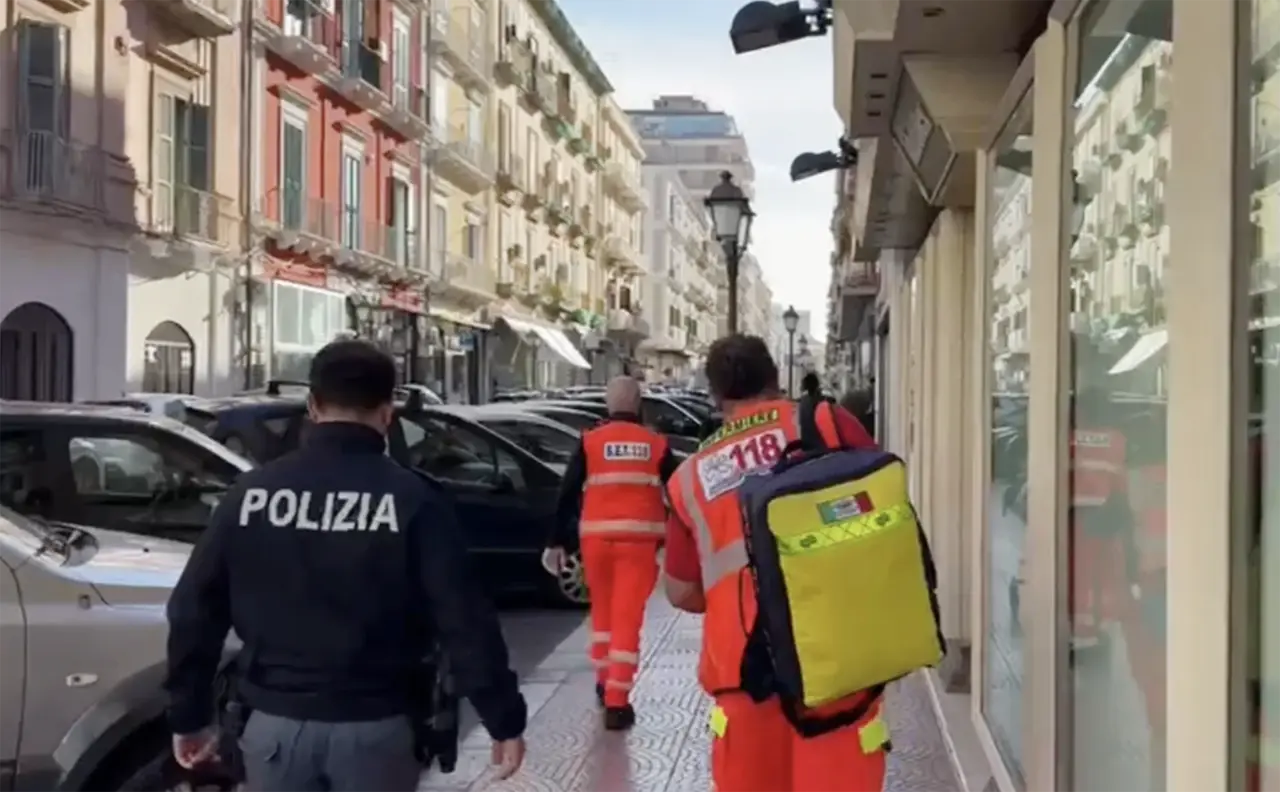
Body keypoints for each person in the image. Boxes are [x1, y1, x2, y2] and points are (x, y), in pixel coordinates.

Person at [165, 339, 528, 791]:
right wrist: (503, 718)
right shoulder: (414, 499)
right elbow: (464, 621)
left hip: (272, 729)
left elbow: (193, 611)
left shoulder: (251, 494)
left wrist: (189, 716)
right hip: (378, 731)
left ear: (312, 407)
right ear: (387, 411)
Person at [662, 334, 886, 792]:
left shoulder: (691, 476)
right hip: (838, 663)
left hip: (744, 677)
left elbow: (680, 590)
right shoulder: (825, 422)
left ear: (716, 396)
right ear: (775, 379)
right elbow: (889, 508)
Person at [542, 375, 679, 730]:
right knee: (626, 620)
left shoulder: (591, 441)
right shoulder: (655, 444)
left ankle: (605, 683)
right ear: (638, 403)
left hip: (595, 542)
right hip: (638, 542)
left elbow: (568, 491)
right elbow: (678, 491)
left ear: (608, 403)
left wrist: (556, 541)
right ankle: (618, 702)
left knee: (602, 614)